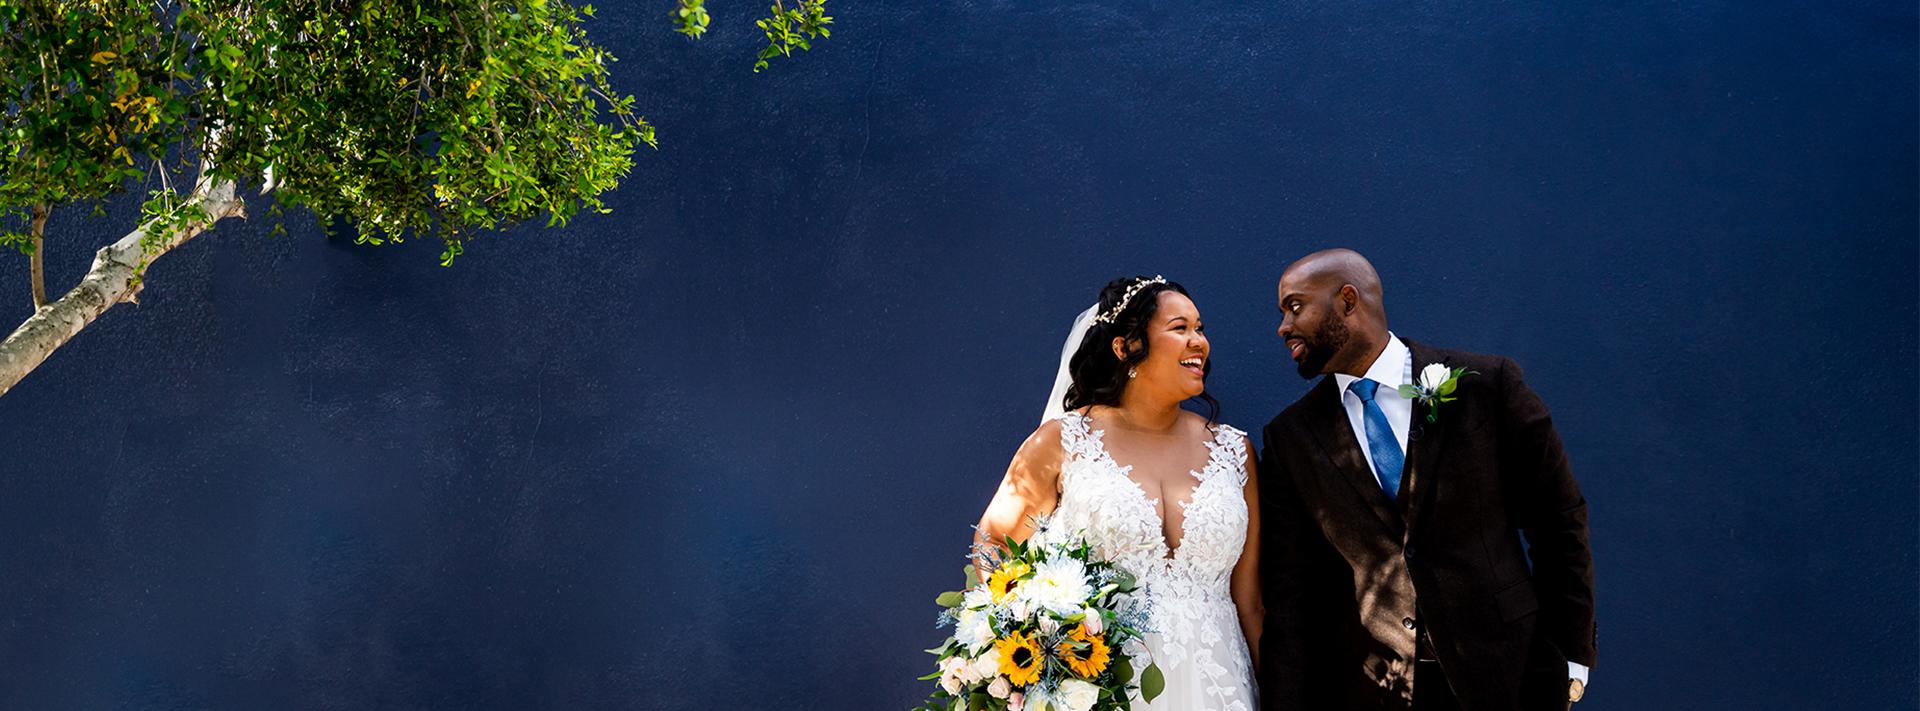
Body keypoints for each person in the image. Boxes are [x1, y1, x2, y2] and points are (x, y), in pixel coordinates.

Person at [1257, 249, 1597, 711]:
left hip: (1511, 676)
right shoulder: (1290, 438)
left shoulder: (1488, 386)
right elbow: (1292, 592)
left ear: (1348, 300)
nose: (1284, 327)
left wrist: (1572, 654)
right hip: (1376, 693)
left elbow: (1558, 521)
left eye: (1295, 307)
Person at [975, 275, 1262, 710]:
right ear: (1126, 347)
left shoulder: (1233, 451)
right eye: (1180, 328)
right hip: (1103, 686)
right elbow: (994, 541)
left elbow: (1250, 601)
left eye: (1200, 329)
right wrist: (1031, 630)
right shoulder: (1063, 441)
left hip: (1222, 685)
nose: (1199, 342)